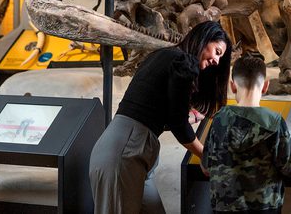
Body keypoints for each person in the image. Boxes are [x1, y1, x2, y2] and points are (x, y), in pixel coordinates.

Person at [89, 20, 232, 214]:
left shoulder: (164, 55)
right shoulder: (183, 61)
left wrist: (189, 118)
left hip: (130, 151)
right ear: (204, 40)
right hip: (125, 152)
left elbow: (161, 113)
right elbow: (177, 123)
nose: (216, 61)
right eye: (217, 52)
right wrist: (206, 155)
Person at [202, 54, 291, 213]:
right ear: (265, 86)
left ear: (232, 86)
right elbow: (290, 168)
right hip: (265, 208)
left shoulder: (219, 119)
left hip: (223, 208)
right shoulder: (274, 122)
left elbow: (206, 165)